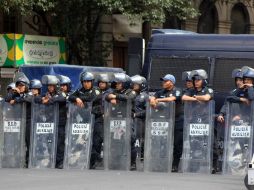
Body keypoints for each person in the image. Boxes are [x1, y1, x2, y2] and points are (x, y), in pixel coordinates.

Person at [150, 74, 183, 172]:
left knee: (177, 144)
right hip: (164, 121)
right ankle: (161, 164)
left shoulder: (177, 90)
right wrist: (152, 100)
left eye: (166, 81)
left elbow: (171, 99)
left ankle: (175, 165)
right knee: (162, 142)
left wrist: (157, 100)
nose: (163, 83)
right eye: (163, 81)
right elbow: (152, 99)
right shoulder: (160, 92)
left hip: (177, 120)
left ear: (171, 82)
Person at [69, 72, 100, 169]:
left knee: (96, 141)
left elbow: (92, 98)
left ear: (92, 82)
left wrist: (79, 98)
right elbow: (70, 97)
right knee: (80, 140)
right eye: (84, 82)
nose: (86, 84)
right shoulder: (79, 91)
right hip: (84, 120)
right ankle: (75, 160)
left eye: (88, 82)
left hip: (96, 118)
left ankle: (93, 161)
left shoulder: (97, 90)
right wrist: (76, 98)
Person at [5, 72, 31, 167]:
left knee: (28, 142)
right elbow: (7, 99)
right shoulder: (15, 94)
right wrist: (12, 92)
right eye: (19, 86)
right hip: (18, 121)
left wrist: (16, 99)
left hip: (28, 121)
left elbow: (28, 99)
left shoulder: (29, 94)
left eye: (22, 86)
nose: (20, 87)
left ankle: (27, 162)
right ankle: (16, 161)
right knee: (17, 141)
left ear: (26, 86)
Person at [90, 74, 111, 169]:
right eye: (100, 83)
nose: (101, 84)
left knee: (105, 139)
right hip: (97, 117)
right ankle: (94, 161)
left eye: (103, 83)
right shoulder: (95, 91)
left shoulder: (109, 92)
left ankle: (107, 161)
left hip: (108, 119)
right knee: (96, 141)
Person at [130, 75, 148, 169]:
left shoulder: (145, 96)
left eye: (136, 84)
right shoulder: (131, 94)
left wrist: (136, 115)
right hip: (131, 121)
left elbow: (147, 110)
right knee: (132, 140)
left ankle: (140, 159)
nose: (134, 85)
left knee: (139, 140)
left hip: (140, 121)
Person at [55, 75, 72, 169]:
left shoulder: (72, 94)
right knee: (60, 141)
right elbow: (56, 99)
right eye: (61, 85)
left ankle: (72, 160)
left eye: (64, 85)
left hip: (71, 122)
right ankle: (59, 161)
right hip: (60, 121)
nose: (62, 87)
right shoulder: (58, 94)